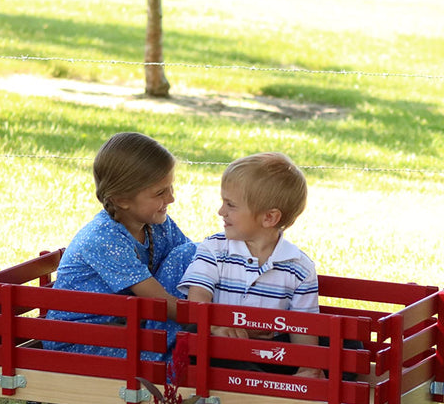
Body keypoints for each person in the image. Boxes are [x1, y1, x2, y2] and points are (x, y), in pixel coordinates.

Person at [45, 132, 197, 359]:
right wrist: (211, 322)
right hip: (81, 342)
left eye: (170, 187)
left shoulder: (156, 225)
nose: (171, 198)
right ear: (122, 200)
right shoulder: (104, 238)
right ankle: (163, 363)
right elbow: (161, 304)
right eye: (160, 192)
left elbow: (195, 261)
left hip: (126, 329)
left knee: (190, 254)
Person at [178, 152, 323, 378]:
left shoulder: (298, 267)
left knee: (343, 343)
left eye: (231, 205)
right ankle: (268, 384)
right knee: (206, 340)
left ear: (269, 218)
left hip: (270, 354)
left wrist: (308, 366)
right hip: (218, 350)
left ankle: (284, 379)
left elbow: (303, 327)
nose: (221, 211)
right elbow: (197, 298)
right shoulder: (215, 249)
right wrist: (215, 327)